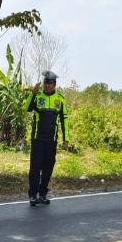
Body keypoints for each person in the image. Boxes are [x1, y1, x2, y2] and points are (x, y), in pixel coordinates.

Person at [24, 70, 70, 206]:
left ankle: (42, 195)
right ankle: (33, 195)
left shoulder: (60, 99)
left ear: (54, 84)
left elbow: (65, 119)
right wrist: (32, 94)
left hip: (51, 142)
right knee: (34, 169)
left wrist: (66, 139)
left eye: (50, 83)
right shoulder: (37, 96)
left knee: (48, 169)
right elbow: (27, 108)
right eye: (46, 82)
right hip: (38, 140)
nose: (47, 85)